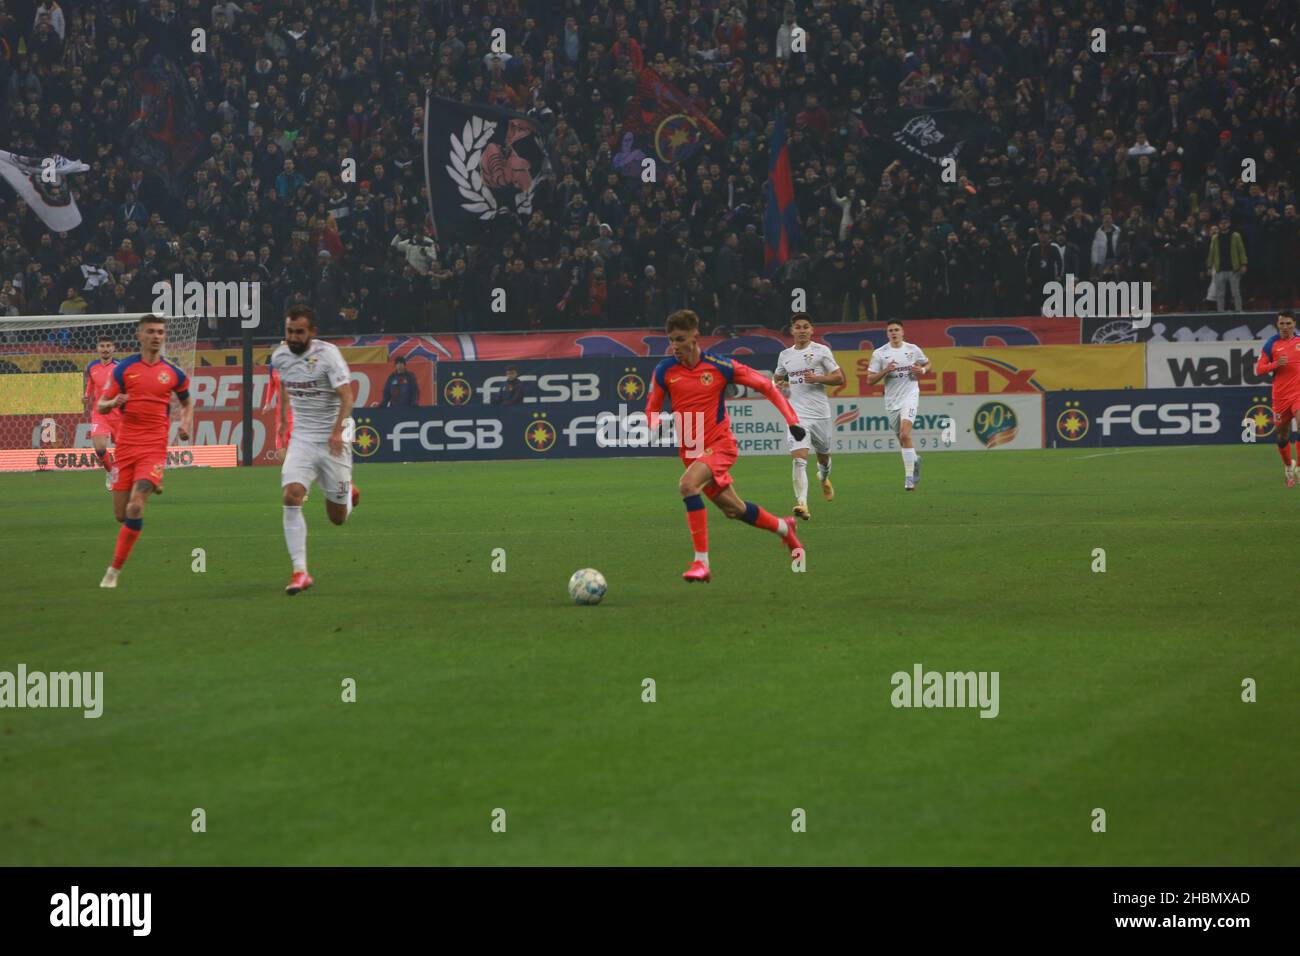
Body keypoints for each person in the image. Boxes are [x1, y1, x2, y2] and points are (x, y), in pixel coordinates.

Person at [645, 309, 806, 583]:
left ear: (696, 337)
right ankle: (783, 527)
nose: (675, 346)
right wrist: (653, 423)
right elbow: (651, 408)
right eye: (671, 340)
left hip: (720, 446)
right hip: (691, 452)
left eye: (680, 339)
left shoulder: (720, 366)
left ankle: (701, 563)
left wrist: (792, 420)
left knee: (687, 486)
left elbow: (766, 387)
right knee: (734, 510)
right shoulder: (664, 370)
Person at [95, 315, 194, 588]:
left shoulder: (173, 373)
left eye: (160, 332)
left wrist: (184, 425)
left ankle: (113, 572)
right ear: (140, 335)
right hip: (126, 447)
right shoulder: (124, 370)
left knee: (135, 507)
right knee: (120, 515)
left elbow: (187, 404)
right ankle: (153, 482)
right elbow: (102, 406)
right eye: (150, 331)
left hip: (154, 446)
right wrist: (116, 400)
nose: (156, 336)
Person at [271, 305, 361, 595]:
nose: (294, 337)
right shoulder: (280, 356)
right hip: (303, 439)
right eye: (289, 331)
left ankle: (349, 494)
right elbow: (285, 386)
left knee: (338, 518)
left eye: (299, 332)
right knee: (291, 495)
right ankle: (300, 572)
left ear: (312, 332)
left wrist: (337, 432)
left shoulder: (328, 355)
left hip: (334, 437)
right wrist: (284, 421)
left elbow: (347, 397)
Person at [773, 314, 844, 520]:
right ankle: (802, 504)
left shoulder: (822, 351)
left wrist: (818, 378)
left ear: (812, 330)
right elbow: (777, 379)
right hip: (796, 415)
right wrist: (780, 385)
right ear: (792, 330)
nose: (802, 330)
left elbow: (839, 378)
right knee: (799, 460)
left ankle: (824, 478)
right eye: (798, 327)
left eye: (805, 327)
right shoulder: (785, 355)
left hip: (820, 413)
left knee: (823, 456)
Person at [866, 320, 931, 491]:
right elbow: (870, 380)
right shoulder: (880, 354)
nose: (894, 333)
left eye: (896, 330)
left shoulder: (912, 349)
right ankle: (915, 459)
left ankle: (909, 478)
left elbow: (927, 364)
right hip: (891, 400)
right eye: (890, 330)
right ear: (887, 334)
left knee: (904, 434)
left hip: (910, 395)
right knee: (902, 439)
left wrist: (922, 371)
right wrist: (885, 371)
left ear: (903, 332)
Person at [1254, 310, 1300, 486]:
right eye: (1282, 324)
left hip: (1298, 393)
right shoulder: (1271, 344)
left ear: (1294, 324)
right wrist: (1275, 364)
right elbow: (1259, 369)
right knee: (1282, 435)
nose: (1285, 327)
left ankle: (1299, 469)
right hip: (1280, 396)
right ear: (1277, 325)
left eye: (1288, 323)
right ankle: (1289, 467)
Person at [84, 334, 121, 489]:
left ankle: (121, 474)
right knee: (99, 448)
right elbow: (90, 384)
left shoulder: (120, 366)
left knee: (123, 451)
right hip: (100, 412)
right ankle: (110, 471)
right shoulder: (91, 366)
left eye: (108, 346)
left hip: (118, 413)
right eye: (102, 346)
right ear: (98, 348)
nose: (105, 349)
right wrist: (86, 396)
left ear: (113, 348)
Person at [1207, 218, 1247, 311]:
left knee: (1235, 293)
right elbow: (1211, 253)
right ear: (1219, 225)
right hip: (1220, 269)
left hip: (1234, 269)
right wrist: (1209, 267)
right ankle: (1220, 311)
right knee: (1220, 293)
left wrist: (1243, 264)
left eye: (1225, 223)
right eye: (1221, 223)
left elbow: (1241, 250)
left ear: (1229, 224)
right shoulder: (1215, 237)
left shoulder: (1235, 236)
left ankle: (1239, 310)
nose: (1223, 225)